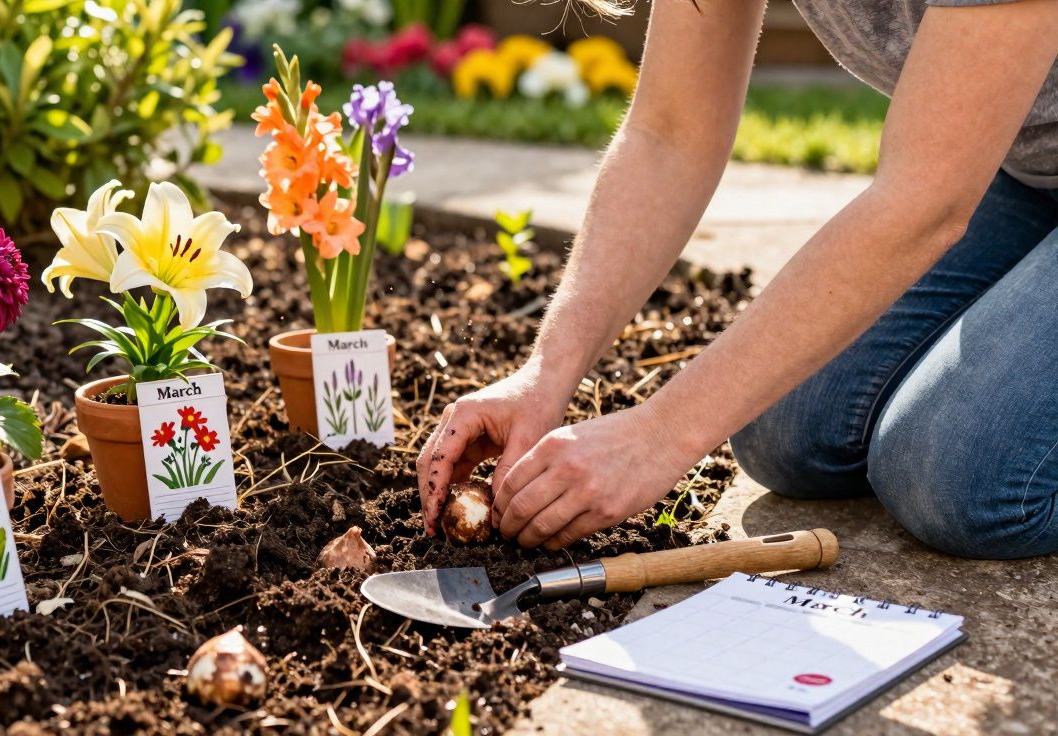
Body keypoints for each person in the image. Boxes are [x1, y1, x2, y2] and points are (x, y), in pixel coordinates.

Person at [418, 0, 1058, 560]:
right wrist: (545, 375)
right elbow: (670, 133)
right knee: (786, 431)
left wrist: (658, 435)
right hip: (1023, 175)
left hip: (965, 185)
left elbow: (923, 203)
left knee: (963, 480)